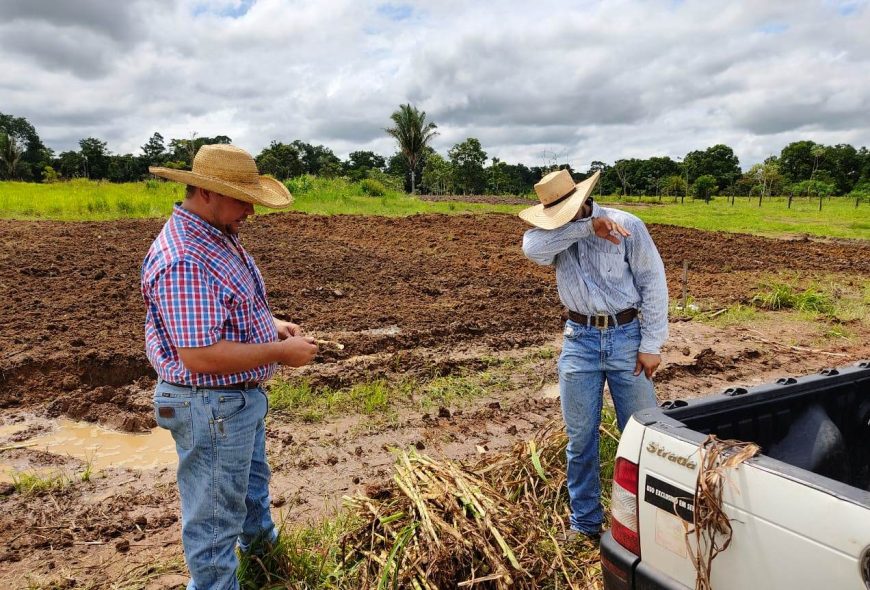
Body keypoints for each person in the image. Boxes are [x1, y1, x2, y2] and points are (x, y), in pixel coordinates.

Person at [141, 144, 318, 589]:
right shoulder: (185, 257)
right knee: (215, 524)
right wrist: (279, 353)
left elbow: (221, 308)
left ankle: (263, 565)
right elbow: (199, 356)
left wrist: (269, 325)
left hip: (233, 403)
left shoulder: (215, 234)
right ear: (205, 192)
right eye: (243, 200)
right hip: (210, 406)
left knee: (251, 494)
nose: (250, 213)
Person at [519, 169, 668, 540]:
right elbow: (530, 249)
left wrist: (651, 345)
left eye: (570, 210)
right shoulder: (551, 236)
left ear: (582, 199)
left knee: (641, 432)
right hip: (579, 340)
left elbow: (653, 281)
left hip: (627, 338)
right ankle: (585, 522)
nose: (564, 218)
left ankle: (645, 522)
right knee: (580, 439)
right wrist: (585, 229)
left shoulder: (626, 224)